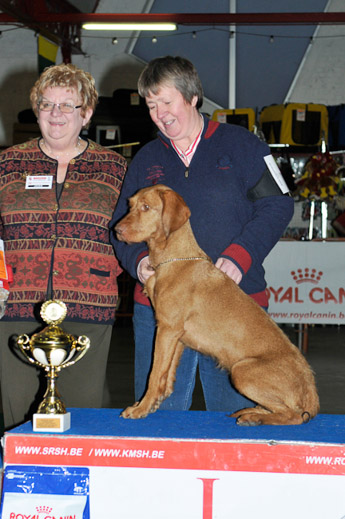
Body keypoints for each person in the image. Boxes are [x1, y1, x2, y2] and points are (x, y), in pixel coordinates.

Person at [111, 55, 294, 414]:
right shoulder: (145, 159)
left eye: (167, 101)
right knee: (157, 420)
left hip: (232, 308)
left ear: (193, 97)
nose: (160, 113)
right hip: (158, 309)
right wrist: (139, 261)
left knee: (236, 422)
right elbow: (122, 223)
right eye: (151, 105)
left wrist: (240, 256)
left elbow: (279, 206)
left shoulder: (245, 146)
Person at [0, 63, 126, 429]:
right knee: (17, 415)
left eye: (67, 105)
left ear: (86, 113)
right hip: (17, 306)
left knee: (82, 415)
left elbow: (131, 233)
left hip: (89, 306)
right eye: (46, 104)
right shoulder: (7, 165)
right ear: (36, 109)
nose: (55, 114)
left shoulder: (114, 169)